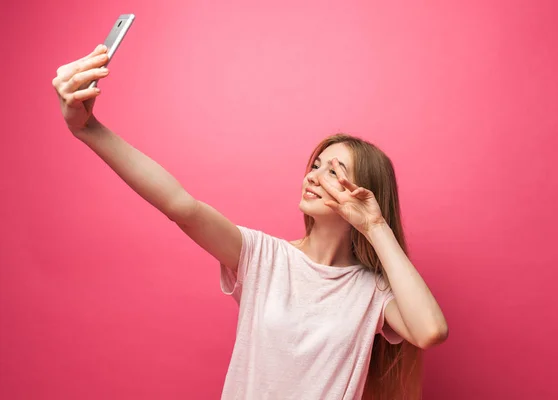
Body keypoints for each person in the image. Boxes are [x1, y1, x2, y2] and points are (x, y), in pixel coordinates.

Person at [52, 44, 449, 400]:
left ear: (363, 191)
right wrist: (89, 130)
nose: (313, 175)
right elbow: (180, 206)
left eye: (334, 170)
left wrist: (375, 225)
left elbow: (430, 331)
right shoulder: (264, 257)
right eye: (315, 165)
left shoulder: (371, 291)